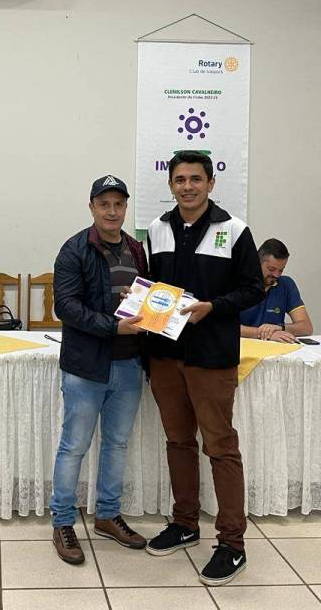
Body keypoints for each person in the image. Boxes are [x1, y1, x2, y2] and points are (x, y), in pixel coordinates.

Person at [145, 151, 264, 586]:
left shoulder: (234, 230)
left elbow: (254, 288)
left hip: (212, 357)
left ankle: (232, 544)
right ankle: (185, 524)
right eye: (180, 179)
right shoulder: (157, 229)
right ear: (171, 184)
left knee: (220, 447)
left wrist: (214, 307)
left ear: (211, 183)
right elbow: (153, 291)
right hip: (165, 356)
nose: (188, 187)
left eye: (196, 179)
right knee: (178, 442)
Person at [51, 174, 148, 564]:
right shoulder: (74, 250)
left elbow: (146, 298)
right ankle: (62, 522)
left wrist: (140, 303)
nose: (112, 211)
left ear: (125, 208)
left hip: (129, 363)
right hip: (86, 366)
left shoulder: (136, 249)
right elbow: (66, 306)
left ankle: (107, 515)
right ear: (91, 206)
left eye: (118, 204)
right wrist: (113, 325)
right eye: (104, 204)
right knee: (74, 446)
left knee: (117, 443)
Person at [240, 238, 313, 343]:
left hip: (276, 349)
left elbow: (306, 327)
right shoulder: (235, 283)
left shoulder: (286, 284)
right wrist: (264, 333)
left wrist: (280, 328)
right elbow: (224, 326)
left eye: (281, 270)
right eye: (271, 269)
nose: (277, 275)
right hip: (242, 348)